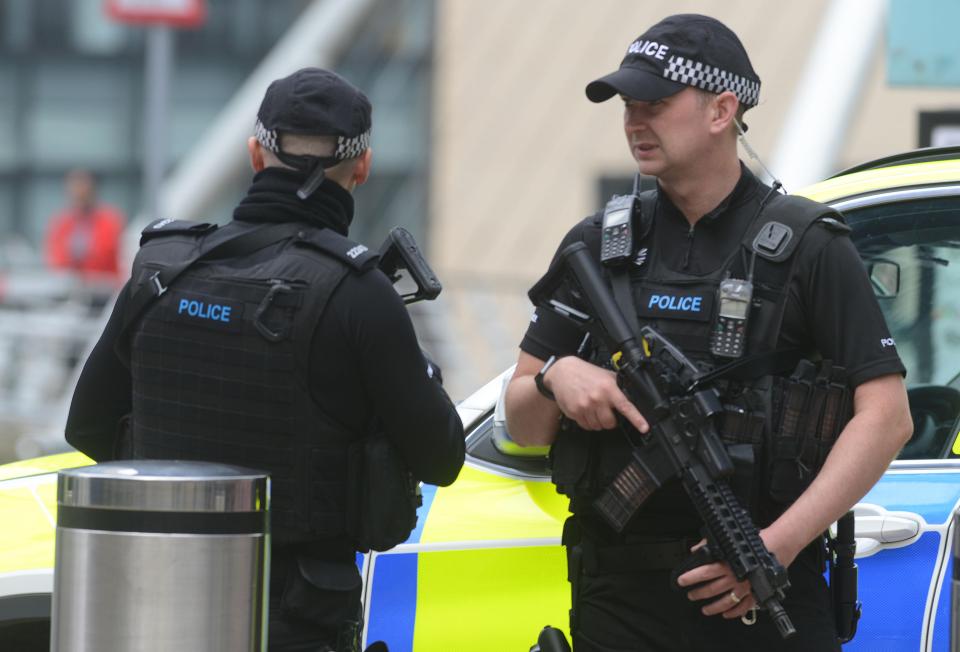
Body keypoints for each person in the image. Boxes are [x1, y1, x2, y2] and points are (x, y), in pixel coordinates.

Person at [504, 14, 912, 652]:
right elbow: (524, 422)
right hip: (620, 602)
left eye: (655, 103)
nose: (635, 120)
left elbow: (887, 417)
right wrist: (556, 379)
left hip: (761, 591)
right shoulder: (596, 245)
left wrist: (776, 547)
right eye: (628, 105)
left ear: (722, 110)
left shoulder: (808, 246)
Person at [64, 68, 465, 652]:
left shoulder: (163, 269)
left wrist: (186, 479)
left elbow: (88, 427)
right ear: (362, 167)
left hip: (155, 606)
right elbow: (442, 457)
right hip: (296, 620)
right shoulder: (359, 293)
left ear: (255, 154)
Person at [45, 168, 125, 281]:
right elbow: (56, 257)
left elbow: (105, 255)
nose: (79, 192)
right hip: (71, 286)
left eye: (83, 187)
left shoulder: (109, 220)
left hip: (104, 287)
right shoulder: (62, 222)